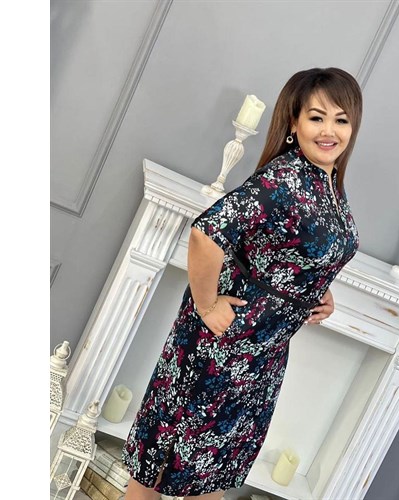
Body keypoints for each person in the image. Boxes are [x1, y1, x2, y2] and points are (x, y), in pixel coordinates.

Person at [122, 67, 363, 500]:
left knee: (211, 473)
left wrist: (316, 288)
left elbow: (296, 248)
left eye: (341, 120)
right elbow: (206, 234)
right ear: (294, 123)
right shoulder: (283, 180)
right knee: (164, 462)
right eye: (317, 117)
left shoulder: (327, 182)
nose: (329, 130)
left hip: (263, 355)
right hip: (226, 345)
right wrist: (207, 305)